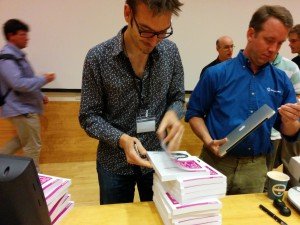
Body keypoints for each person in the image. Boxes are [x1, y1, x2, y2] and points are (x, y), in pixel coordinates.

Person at [185, 5, 300, 195]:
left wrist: (291, 120)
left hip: (255, 169)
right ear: (250, 34)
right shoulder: (216, 73)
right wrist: (208, 140)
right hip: (215, 162)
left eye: (279, 43)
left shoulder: (281, 80)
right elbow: (194, 113)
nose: (273, 49)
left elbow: (289, 131)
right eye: (269, 40)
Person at [79, 0, 185, 205]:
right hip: (114, 162)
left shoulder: (171, 53)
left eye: (163, 32)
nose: (154, 41)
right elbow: (88, 116)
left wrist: (174, 113)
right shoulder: (98, 58)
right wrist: (122, 139)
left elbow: (177, 98)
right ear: (128, 13)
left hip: (157, 159)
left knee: (158, 217)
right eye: (146, 31)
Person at [0, 19, 56, 172]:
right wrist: (44, 79)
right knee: (32, 146)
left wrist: (40, 95)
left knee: (21, 141)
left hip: (22, 107)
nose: (27, 37)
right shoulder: (7, 58)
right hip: (22, 109)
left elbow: (24, 81)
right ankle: (34, 181)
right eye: (23, 34)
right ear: (11, 36)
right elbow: (18, 83)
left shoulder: (15, 56)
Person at [266, 53, 300, 172]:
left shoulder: (291, 67)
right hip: (256, 131)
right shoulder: (255, 66)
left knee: (269, 171)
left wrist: (290, 111)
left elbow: (297, 97)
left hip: (277, 131)